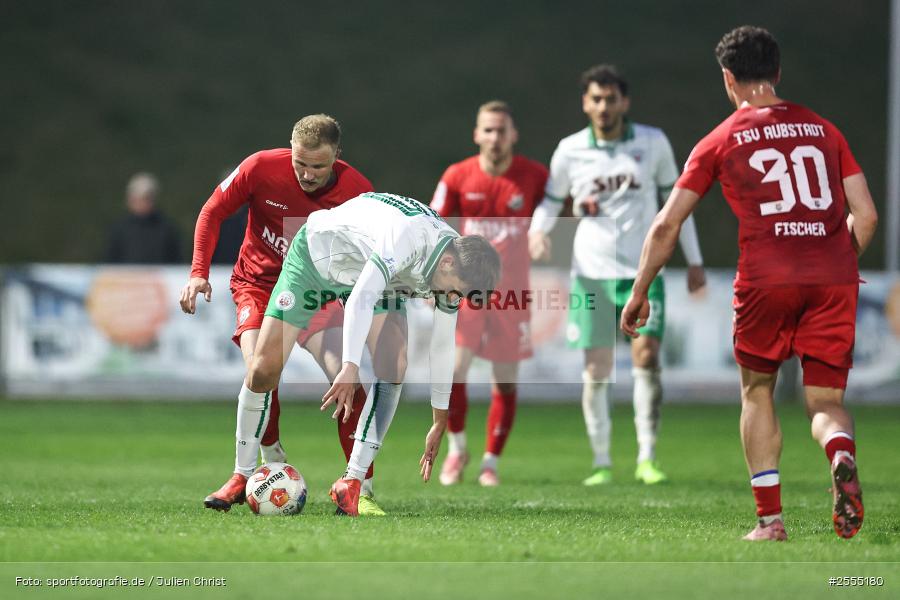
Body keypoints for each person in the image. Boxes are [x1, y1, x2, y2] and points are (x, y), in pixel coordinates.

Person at [621, 26, 877, 541]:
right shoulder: (825, 131)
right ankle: (840, 452)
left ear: (728, 79)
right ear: (777, 73)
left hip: (765, 281)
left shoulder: (720, 139)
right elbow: (865, 216)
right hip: (832, 279)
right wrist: (834, 263)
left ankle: (770, 521)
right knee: (825, 402)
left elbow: (667, 224)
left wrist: (640, 290)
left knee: (757, 392)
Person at [179, 114, 393, 516]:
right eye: (301, 164)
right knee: (261, 371)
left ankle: (360, 487)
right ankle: (251, 470)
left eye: (319, 166)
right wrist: (197, 273)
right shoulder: (261, 168)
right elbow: (212, 211)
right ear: (289, 150)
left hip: (316, 291)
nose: (308, 174)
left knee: (345, 376)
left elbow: (373, 254)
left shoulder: (359, 192)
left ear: (337, 158)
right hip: (260, 286)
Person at [244, 192, 501, 516]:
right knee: (263, 370)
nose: (452, 299)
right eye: (455, 293)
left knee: (395, 362)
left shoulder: (453, 264)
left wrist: (439, 419)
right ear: (448, 262)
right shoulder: (409, 238)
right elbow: (361, 299)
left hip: (370, 273)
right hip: (319, 256)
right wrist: (350, 365)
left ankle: (352, 483)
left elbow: (442, 345)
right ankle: (241, 475)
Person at [528, 65, 706, 486]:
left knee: (647, 357)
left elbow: (676, 205)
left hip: (642, 273)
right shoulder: (570, 151)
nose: (604, 106)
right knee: (596, 366)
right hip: (589, 275)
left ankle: (647, 456)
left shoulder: (652, 142)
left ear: (624, 102)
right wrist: (538, 232)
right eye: (596, 99)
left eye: (611, 98)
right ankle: (602, 460)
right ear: (585, 104)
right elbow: (551, 201)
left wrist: (694, 261)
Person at [431, 101, 548, 486]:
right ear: (476, 134)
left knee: (505, 380)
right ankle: (457, 449)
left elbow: (555, 210)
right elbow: (434, 224)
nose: (495, 138)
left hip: (512, 294)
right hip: (467, 292)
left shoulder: (534, 176)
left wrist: (543, 234)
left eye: (502, 130)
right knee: (455, 370)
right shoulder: (458, 175)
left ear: (513, 135)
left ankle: (490, 463)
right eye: (489, 130)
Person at [106, 172, 182, 264]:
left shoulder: (166, 229)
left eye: (146, 198)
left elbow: (175, 262)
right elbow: (111, 262)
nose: (141, 203)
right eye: (137, 199)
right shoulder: (119, 229)